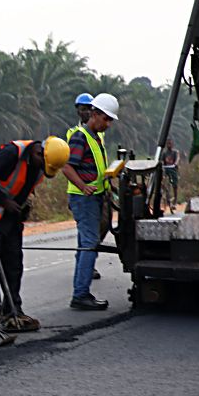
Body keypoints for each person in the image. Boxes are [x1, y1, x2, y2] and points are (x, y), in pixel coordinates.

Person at [0, 137, 70, 331]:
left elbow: (24, 186)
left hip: (11, 215)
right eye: (43, 164)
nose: (43, 168)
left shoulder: (40, 163)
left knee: (14, 262)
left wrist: (22, 208)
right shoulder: (11, 153)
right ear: (38, 153)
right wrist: (3, 201)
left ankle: (13, 309)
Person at [62, 92, 118, 311]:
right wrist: (83, 186)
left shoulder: (96, 137)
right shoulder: (79, 136)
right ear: (94, 114)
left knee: (85, 244)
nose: (108, 124)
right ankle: (81, 294)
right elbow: (67, 166)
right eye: (106, 119)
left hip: (95, 198)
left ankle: (80, 290)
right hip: (83, 199)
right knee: (89, 244)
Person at [161, 137, 180, 211]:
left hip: (173, 169)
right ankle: (166, 196)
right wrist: (161, 164)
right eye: (168, 143)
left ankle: (175, 199)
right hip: (166, 169)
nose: (169, 145)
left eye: (170, 143)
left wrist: (175, 164)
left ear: (172, 144)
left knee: (175, 185)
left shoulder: (175, 152)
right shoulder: (164, 153)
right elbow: (162, 161)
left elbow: (178, 158)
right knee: (162, 182)